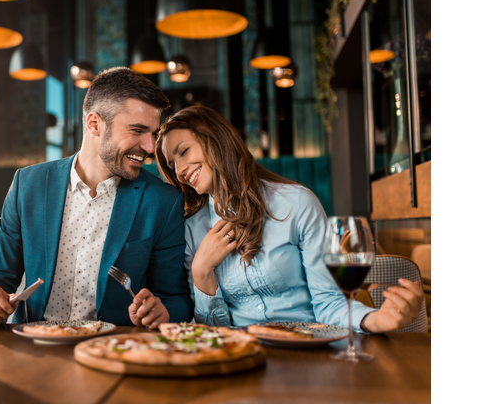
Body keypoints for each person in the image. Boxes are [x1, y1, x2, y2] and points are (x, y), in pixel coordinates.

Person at [155, 106, 423, 333]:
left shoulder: (296, 203)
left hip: (309, 349)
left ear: (215, 140)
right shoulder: (191, 229)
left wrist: (376, 319)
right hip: (243, 357)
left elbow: (329, 302)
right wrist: (201, 271)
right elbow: (213, 331)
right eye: (171, 164)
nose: (178, 171)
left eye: (183, 152)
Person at [0, 67, 194, 329]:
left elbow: (176, 299)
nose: (149, 147)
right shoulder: (28, 185)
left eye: (153, 134)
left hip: (113, 352)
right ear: (94, 124)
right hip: (34, 347)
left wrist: (163, 312)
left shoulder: (163, 202)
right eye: (137, 131)